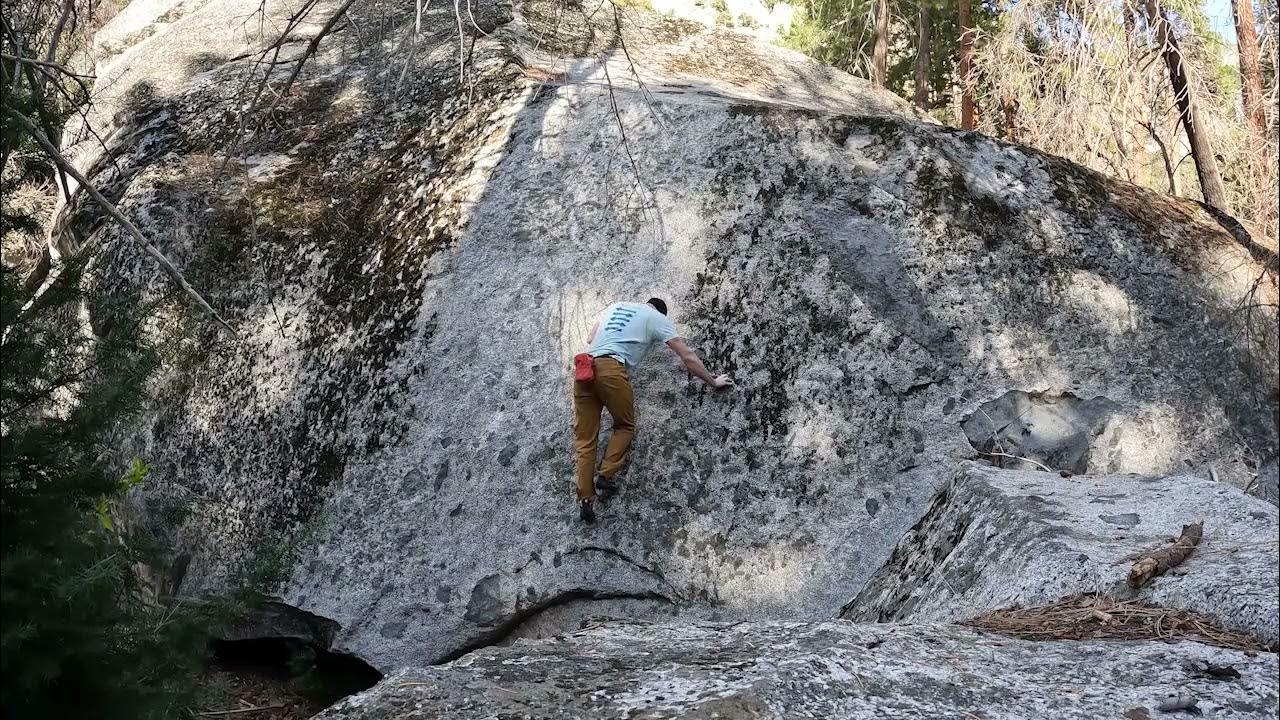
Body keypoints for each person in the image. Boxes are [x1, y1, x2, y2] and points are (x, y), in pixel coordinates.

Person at [573, 297, 733, 524]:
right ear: (661, 312)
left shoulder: (616, 306)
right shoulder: (656, 318)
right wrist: (712, 381)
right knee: (624, 425)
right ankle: (606, 474)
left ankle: (585, 499)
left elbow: (590, 338)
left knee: (585, 440)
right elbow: (687, 356)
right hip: (610, 370)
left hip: (584, 369)